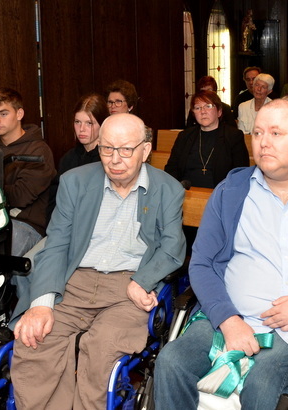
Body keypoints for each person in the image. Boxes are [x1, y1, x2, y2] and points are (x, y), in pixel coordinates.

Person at [154, 98, 288, 409]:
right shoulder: (231, 190)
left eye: (275, 133)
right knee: (172, 361)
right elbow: (202, 263)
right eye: (257, 134)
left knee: (262, 382)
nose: (264, 143)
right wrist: (229, 319)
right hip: (227, 316)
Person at [10, 113, 186, 409]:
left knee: (101, 349)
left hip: (126, 287)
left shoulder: (168, 189)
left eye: (126, 149)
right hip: (72, 281)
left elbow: (173, 248)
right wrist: (41, 303)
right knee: (36, 341)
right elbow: (57, 244)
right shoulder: (74, 182)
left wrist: (141, 282)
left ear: (145, 149)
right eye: (107, 149)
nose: (115, 159)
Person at [0, 88, 56, 256]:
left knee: (0, 261)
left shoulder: (38, 150)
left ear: (19, 114)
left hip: (27, 224)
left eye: (3, 114)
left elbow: (20, 196)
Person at [165, 90, 249, 189]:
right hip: (185, 194)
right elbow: (171, 169)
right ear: (193, 113)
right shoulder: (184, 136)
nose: (203, 111)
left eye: (208, 106)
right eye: (197, 108)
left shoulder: (233, 136)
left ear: (219, 112)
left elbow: (240, 173)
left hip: (219, 194)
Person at [46, 93, 107, 223]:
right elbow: (54, 201)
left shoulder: (109, 159)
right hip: (65, 225)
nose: (82, 129)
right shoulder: (68, 158)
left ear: (102, 125)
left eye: (89, 123)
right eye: (77, 122)